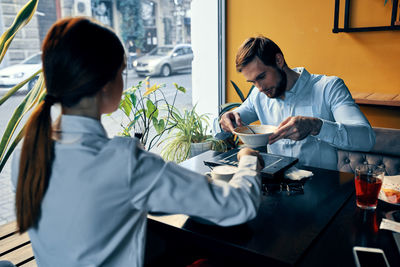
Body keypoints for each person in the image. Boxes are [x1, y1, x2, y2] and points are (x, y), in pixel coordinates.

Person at [11, 18, 264, 267]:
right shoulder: (122, 162)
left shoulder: (26, 152)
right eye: (122, 71)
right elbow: (238, 206)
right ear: (104, 84)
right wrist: (249, 158)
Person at [219, 36, 375, 171]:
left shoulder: (329, 87)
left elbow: (366, 140)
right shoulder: (258, 96)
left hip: (322, 192)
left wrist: (316, 126)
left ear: (278, 60)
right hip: (276, 190)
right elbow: (227, 123)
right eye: (253, 82)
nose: (259, 88)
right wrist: (225, 121)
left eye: (261, 77)